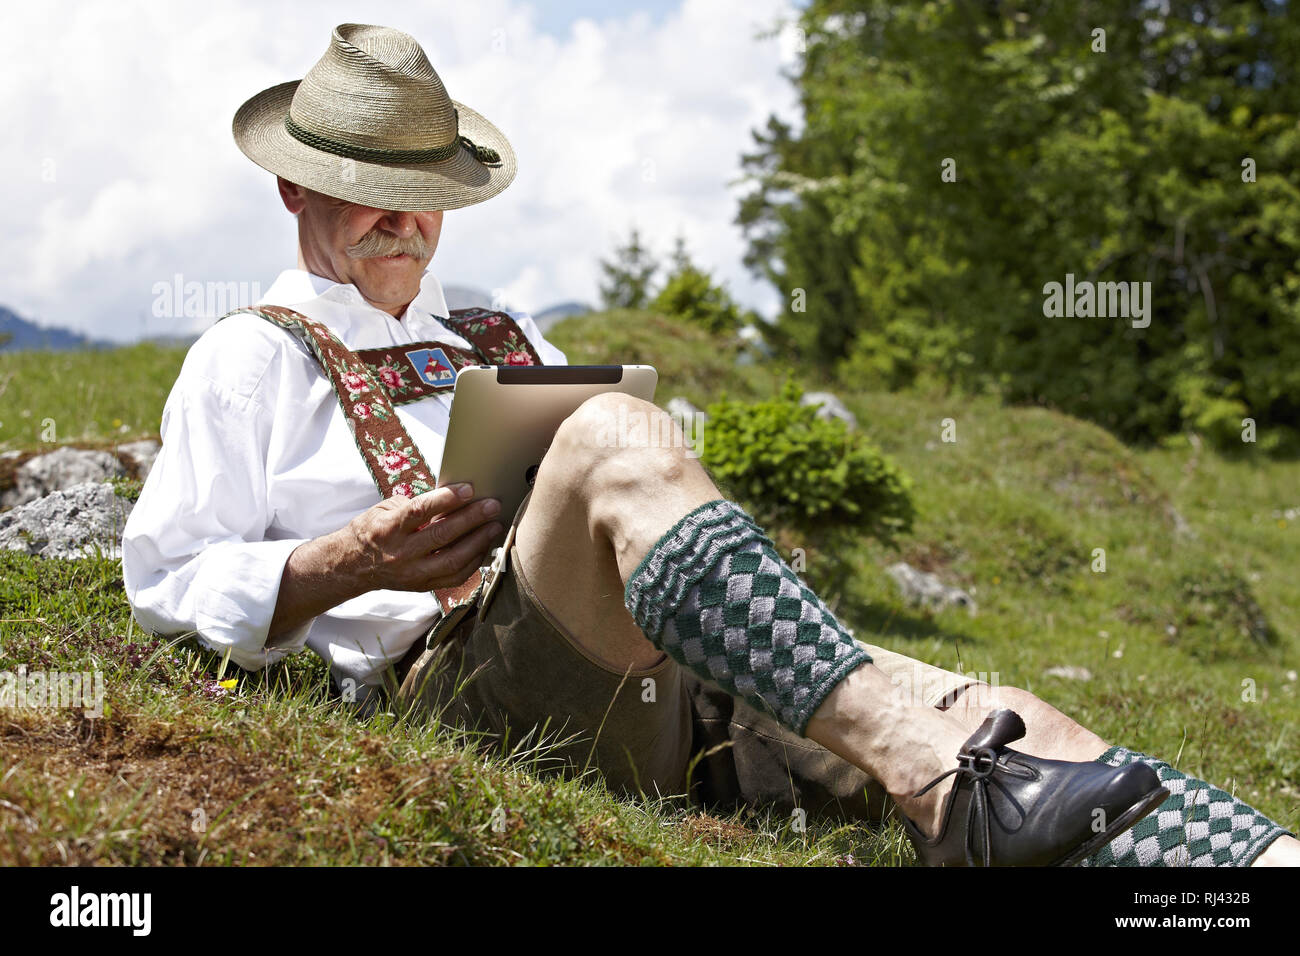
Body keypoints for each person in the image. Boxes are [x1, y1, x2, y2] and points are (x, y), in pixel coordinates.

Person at [122, 22, 1296, 867]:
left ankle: (1255, 857)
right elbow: (163, 581)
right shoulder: (250, 356)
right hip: (458, 690)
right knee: (618, 431)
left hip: (652, 677)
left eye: (421, 185)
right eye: (364, 183)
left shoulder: (497, 327)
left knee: (1007, 721)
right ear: (293, 189)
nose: (400, 214)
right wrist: (352, 562)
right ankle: (917, 765)